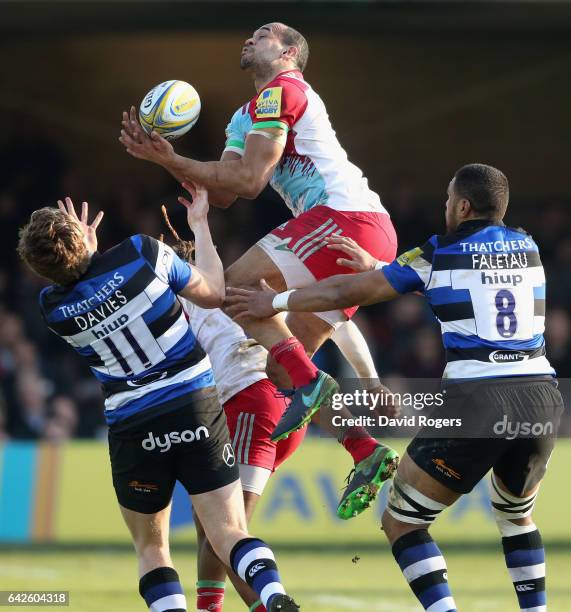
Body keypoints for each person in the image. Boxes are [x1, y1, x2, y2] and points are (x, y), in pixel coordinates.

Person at [226, 163, 563, 612]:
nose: (444, 207)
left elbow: (344, 292)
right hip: (541, 395)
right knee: (516, 516)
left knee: (402, 520)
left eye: (447, 201)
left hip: (479, 396)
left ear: (463, 206)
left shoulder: (440, 251)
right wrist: (386, 268)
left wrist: (276, 300)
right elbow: (470, 285)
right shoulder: (529, 247)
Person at [118, 22, 399, 518]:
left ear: (290, 52)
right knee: (282, 368)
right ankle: (365, 449)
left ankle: (311, 401)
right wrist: (164, 160)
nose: (250, 37)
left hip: (344, 217)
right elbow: (224, 191)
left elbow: (249, 180)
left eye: (265, 33)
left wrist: (175, 158)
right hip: (346, 232)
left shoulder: (285, 90)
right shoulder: (243, 116)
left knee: (233, 290)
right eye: (249, 33)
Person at [17, 187, 299, 612]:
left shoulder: (51, 307)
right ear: (81, 237)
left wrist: (85, 260)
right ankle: (274, 594)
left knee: (152, 549)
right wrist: (200, 228)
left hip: (132, 426)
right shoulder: (141, 253)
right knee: (228, 532)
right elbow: (214, 292)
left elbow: (86, 284)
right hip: (194, 405)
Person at [159, 207, 396, 610]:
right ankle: (362, 447)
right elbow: (339, 325)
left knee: (227, 531)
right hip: (284, 408)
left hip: (251, 405)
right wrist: (370, 380)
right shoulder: (258, 285)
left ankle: (257, 604)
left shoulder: (185, 301)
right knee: (212, 528)